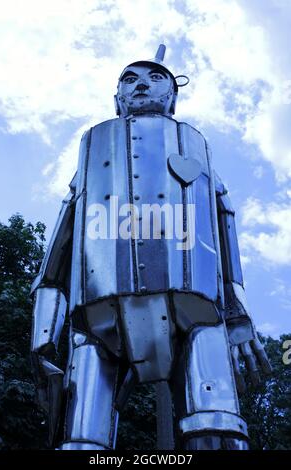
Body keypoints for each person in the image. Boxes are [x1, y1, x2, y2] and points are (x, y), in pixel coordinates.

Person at [31, 44, 271, 450]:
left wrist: (236, 310)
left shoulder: (194, 149)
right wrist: (43, 335)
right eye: (130, 78)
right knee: (81, 439)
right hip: (97, 318)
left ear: (173, 97)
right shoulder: (91, 156)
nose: (141, 83)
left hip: (195, 310)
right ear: (117, 98)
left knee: (216, 426)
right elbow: (57, 252)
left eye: (155, 77)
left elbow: (222, 222)